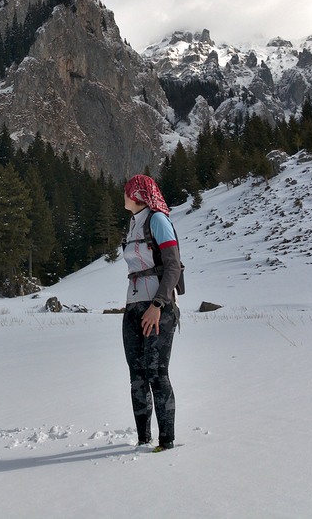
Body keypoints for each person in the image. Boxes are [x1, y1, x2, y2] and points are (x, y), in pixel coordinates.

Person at [121, 174, 182, 452]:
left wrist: (158, 305)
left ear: (138, 195)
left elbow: (173, 266)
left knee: (157, 374)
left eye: (127, 192)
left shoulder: (157, 220)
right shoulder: (133, 223)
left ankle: (166, 442)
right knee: (137, 376)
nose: (123, 196)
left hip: (158, 306)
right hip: (133, 306)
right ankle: (142, 440)